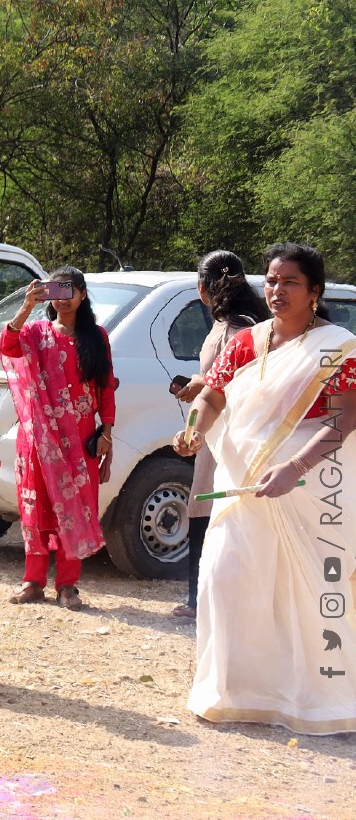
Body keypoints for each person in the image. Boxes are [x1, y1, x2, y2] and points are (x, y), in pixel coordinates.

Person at [177, 242, 355, 734]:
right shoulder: (247, 341)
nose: (277, 290)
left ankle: (311, 697)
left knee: (304, 592)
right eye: (272, 281)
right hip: (241, 483)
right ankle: (234, 692)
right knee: (227, 577)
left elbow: (345, 418)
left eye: (290, 282)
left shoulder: (337, 347)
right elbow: (212, 395)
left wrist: (295, 467)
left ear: (314, 292)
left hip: (310, 486)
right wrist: (193, 429)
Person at [0, 267, 116, 611]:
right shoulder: (36, 332)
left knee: (75, 508)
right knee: (35, 507)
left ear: (82, 294)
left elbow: (106, 387)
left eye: (69, 291)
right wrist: (25, 307)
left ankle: (67, 585)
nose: (63, 299)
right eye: (56, 291)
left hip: (80, 438)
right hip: (39, 440)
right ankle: (33, 582)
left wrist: (107, 432)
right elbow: (7, 346)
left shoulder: (96, 336)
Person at [170, 251, 269, 620]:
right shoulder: (255, 324)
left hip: (226, 434)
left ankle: (201, 599)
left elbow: (226, 385)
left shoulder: (233, 329)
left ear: (202, 289)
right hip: (235, 432)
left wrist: (202, 387)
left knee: (209, 510)